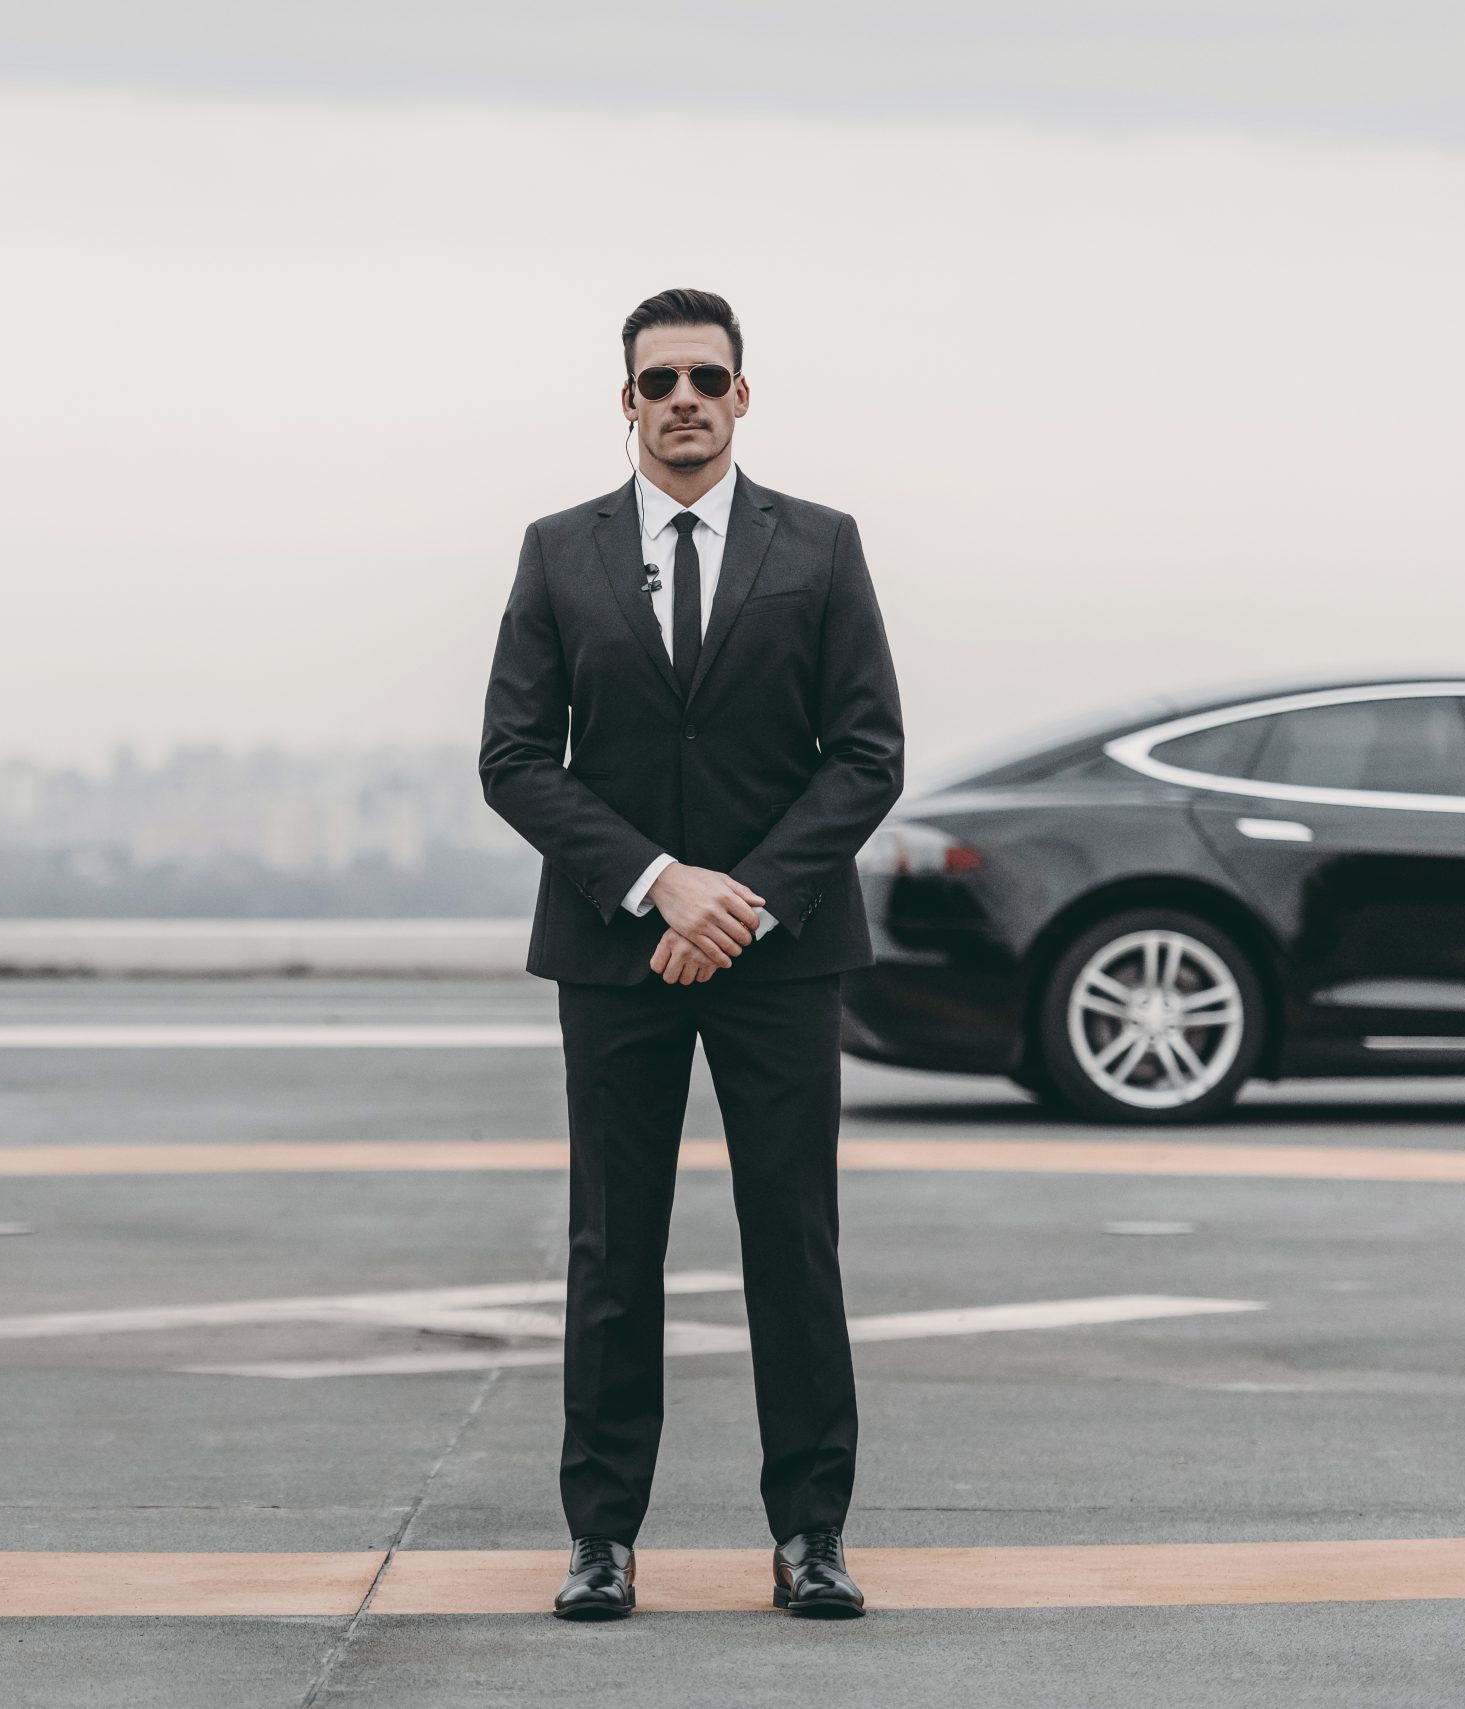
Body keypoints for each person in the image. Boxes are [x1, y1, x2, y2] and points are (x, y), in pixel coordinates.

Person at [477, 287, 904, 1621]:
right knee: (614, 1249)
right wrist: (661, 886)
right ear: (627, 401)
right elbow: (512, 759)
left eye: (705, 379)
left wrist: (743, 902)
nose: (682, 400)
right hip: (616, 953)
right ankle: (601, 1538)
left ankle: (812, 1535)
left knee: (794, 1241)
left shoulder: (821, 545)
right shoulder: (559, 552)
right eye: (658, 380)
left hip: (782, 956)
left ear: (740, 396)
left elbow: (868, 754)